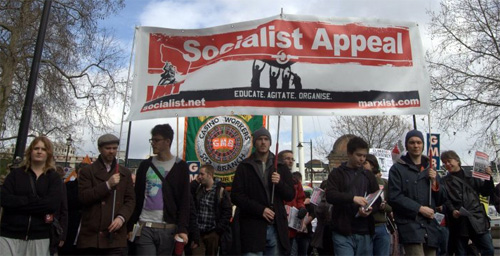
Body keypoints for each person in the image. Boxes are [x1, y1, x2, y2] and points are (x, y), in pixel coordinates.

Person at [231, 127, 295, 255]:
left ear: (270, 143)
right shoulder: (245, 166)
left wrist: (280, 183)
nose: (263, 142)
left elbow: (290, 195)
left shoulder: (280, 167)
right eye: (260, 139)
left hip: (275, 227)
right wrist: (260, 210)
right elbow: (236, 196)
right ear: (255, 142)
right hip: (252, 228)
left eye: (266, 139)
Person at [128, 124, 190, 255]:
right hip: (145, 226)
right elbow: (137, 196)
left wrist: (183, 229)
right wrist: (130, 225)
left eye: (156, 140)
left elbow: (185, 200)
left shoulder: (181, 166)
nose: (153, 143)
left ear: (167, 141)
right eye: (152, 140)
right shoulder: (145, 165)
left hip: (169, 228)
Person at [0, 136, 62, 256]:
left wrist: (19, 204)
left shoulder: (53, 178)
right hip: (10, 234)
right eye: (36, 148)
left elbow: (51, 205)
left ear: (48, 153)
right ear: (30, 151)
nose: (39, 151)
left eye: (43, 149)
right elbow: (5, 199)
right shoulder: (16, 175)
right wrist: (33, 201)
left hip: (39, 236)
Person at [388, 129, 446, 256]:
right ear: (407, 145)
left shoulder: (430, 169)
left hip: (430, 227)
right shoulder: (397, 169)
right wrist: (419, 209)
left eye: (419, 142)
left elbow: (442, 199)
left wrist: (435, 183)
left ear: (423, 145)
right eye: (412, 142)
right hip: (410, 225)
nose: (416, 146)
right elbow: (394, 197)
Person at [78, 134, 136, 255]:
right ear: (100, 149)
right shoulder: (87, 171)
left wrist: (121, 218)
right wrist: (107, 185)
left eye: (114, 148)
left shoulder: (124, 173)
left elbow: (130, 200)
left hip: (114, 236)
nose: (112, 151)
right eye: (108, 148)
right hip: (92, 236)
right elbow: (84, 197)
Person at [326, 136, 380, 256]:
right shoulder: (337, 173)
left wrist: (369, 209)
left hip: (364, 230)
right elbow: (330, 195)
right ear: (349, 154)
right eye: (358, 155)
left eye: (364, 156)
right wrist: (352, 198)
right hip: (342, 230)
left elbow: (377, 200)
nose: (362, 159)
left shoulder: (368, 175)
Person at [441, 150, 494, 256]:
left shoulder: (472, 175)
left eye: (449, 161)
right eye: (444, 162)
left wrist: (489, 178)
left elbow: (485, 192)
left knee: (488, 249)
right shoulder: (444, 181)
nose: (447, 164)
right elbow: (445, 200)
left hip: (476, 219)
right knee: (462, 252)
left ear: (457, 160)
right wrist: (452, 211)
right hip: (459, 222)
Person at [191, 164, 232, 255]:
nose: (199, 177)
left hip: (212, 233)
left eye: (202, 174)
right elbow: (188, 198)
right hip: (198, 234)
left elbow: (227, 212)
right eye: (199, 174)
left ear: (209, 175)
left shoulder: (220, 191)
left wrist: (218, 230)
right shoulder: (198, 190)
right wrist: (195, 182)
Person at [278, 150, 307, 256]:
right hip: (279, 222)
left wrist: (301, 208)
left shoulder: (295, 181)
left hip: (291, 225)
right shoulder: (276, 177)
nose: (290, 161)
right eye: (287, 158)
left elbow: (300, 198)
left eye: (292, 159)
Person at [364, 154, 392, 256]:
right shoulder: (359, 182)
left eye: (365, 163)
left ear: (372, 164)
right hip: (364, 227)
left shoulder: (384, 183)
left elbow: (392, 206)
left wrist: (384, 206)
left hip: (381, 226)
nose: (362, 165)